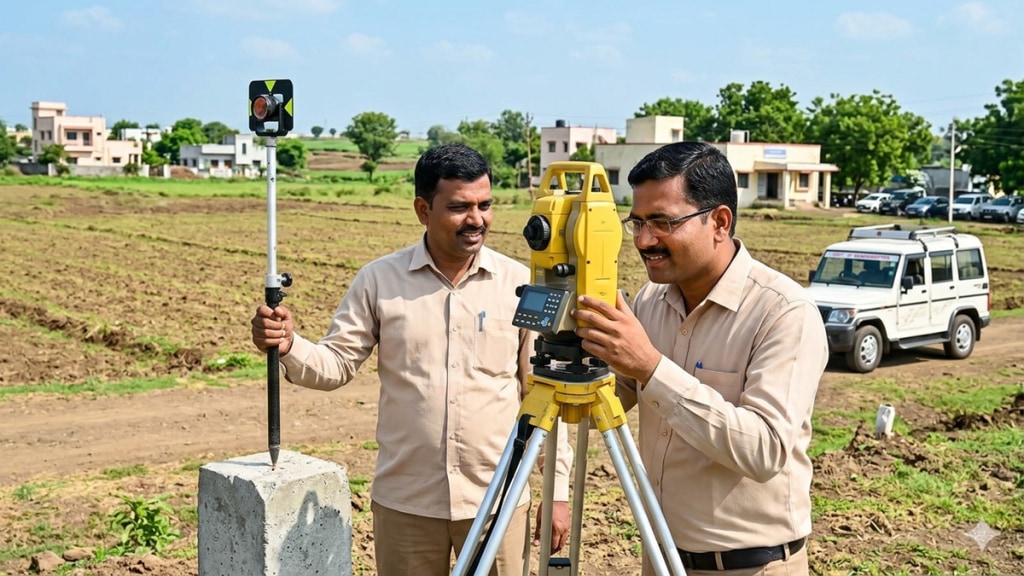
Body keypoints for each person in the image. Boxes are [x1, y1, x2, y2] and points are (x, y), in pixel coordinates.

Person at [250, 143, 571, 576]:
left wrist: (557, 489)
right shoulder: (379, 280)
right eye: (459, 207)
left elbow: (544, 391)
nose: (476, 219)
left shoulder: (521, 283)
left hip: (498, 501)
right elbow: (336, 363)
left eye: (485, 205)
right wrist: (289, 345)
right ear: (423, 209)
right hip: (407, 504)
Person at [571, 142, 828, 575]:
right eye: (637, 223)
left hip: (751, 566)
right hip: (662, 557)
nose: (644, 240)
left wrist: (651, 367)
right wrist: (578, 366)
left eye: (663, 222)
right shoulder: (650, 300)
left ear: (720, 222)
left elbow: (764, 451)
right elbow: (619, 396)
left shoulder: (783, 313)